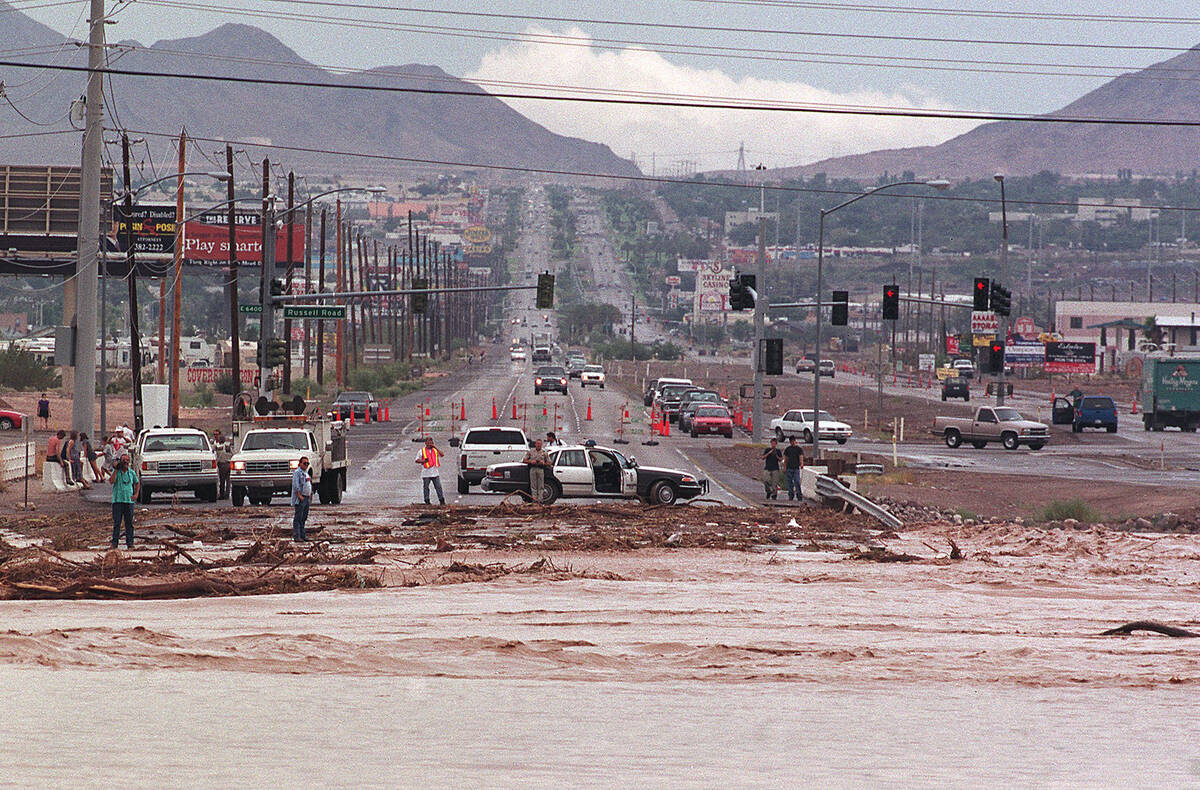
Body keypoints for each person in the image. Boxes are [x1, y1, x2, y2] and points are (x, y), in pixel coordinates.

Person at [109, 452, 140, 549]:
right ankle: (114, 543)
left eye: (127, 461)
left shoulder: (131, 473)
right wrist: (116, 469)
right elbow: (111, 481)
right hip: (118, 501)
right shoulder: (117, 472)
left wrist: (136, 494)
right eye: (123, 461)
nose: (125, 463)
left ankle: (130, 543)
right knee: (117, 523)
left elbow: (137, 483)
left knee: (129, 523)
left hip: (129, 501)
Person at [415, 436, 445, 505]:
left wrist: (435, 447)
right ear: (425, 443)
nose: (429, 444)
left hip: (435, 472)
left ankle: (441, 500)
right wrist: (423, 461)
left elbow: (442, 454)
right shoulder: (421, 451)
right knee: (426, 487)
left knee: (438, 487)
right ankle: (427, 500)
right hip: (426, 472)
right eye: (428, 442)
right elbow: (417, 460)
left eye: (431, 442)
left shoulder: (435, 450)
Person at [291, 456, 313, 542]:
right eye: (304, 463)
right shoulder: (297, 473)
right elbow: (296, 485)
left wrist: (310, 494)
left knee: (304, 518)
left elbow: (308, 484)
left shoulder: (306, 472)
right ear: (300, 464)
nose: (306, 465)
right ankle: (297, 536)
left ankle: (303, 535)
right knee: (298, 518)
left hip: (306, 498)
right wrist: (299, 495)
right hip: (301, 498)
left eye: (307, 463)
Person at [523, 438, 551, 503]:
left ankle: (540, 500)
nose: (539, 445)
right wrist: (530, 461)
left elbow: (549, 462)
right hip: (533, 468)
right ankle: (534, 500)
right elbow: (524, 460)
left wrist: (543, 463)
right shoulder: (531, 452)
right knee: (533, 486)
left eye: (540, 444)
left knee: (541, 485)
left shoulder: (544, 452)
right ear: (535, 444)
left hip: (540, 469)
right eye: (537, 444)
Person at [783, 436, 805, 501]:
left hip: (796, 468)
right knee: (789, 482)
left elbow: (801, 456)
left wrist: (801, 463)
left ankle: (799, 495)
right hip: (789, 467)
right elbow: (785, 459)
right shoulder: (788, 449)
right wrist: (784, 467)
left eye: (793, 441)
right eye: (791, 441)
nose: (792, 442)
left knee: (797, 481)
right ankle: (791, 494)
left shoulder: (798, 449)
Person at [213, 429, 232, 500]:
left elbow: (214, 452)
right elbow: (232, 453)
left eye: (217, 434)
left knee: (222, 480)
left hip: (222, 464)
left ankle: (222, 495)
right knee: (228, 481)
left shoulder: (218, 447)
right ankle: (226, 494)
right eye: (214, 434)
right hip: (228, 463)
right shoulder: (228, 446)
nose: (215, 436)